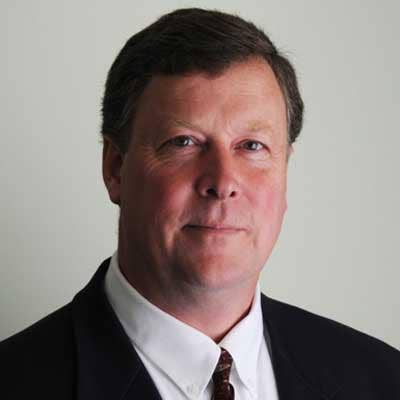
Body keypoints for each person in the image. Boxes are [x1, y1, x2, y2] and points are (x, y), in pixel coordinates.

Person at [1, 7, 399, 400]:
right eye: (184, 142)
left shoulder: (382, 379)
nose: (223, 182)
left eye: (252, 146)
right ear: (115, 168)